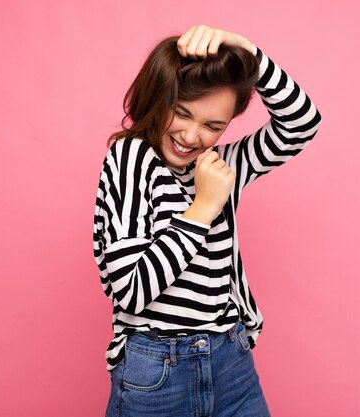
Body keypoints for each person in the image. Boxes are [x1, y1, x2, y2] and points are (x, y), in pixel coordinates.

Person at [93, 24, 322, 417]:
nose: (191, 135)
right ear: (159, 97)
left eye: (213, 126)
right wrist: (203, 207)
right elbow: (129, 289)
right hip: (157, 371)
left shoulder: (223, 165)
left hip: (230, 360)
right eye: (181, 113)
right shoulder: (131, 159)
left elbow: (302, 123)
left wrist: (247, 49)